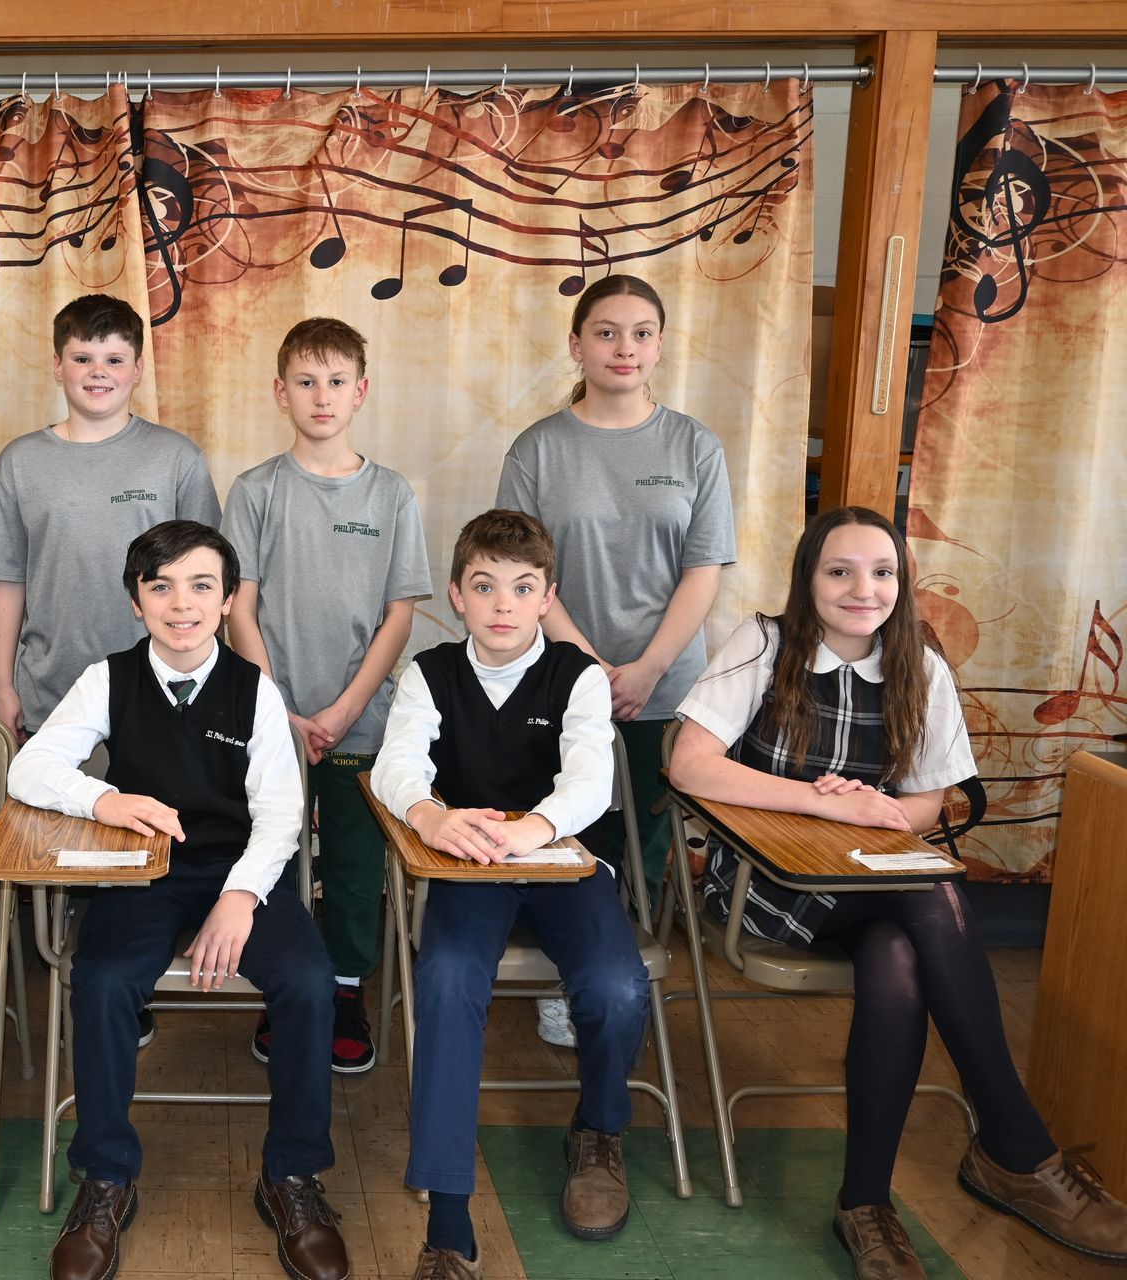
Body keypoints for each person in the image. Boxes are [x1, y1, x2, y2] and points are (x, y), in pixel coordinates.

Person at [668, 506, 1127, 1279]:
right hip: (767, 885)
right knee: (929, 899)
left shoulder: (921, 665)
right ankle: (1015, 1146)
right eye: (839, 571)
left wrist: (878, 810)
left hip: (866, 888)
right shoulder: (764, 643)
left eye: (881, 572)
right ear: (807, 578)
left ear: (903, 583)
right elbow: (689, 765)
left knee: (898, 959)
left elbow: (925, 807)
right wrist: (823, 800)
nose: (863, 589)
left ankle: (866, 1204)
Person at [8, 521, 348, 1280]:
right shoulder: (110, 678)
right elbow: (28, 769)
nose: (181, 603)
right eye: (160, 586)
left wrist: (238, 898)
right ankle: (105, 1178)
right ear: (136, 601)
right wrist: (105, 801)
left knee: (308, 982)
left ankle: (292, 1174)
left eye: (201, 585)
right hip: (143, 871)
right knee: (99, 981)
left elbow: (281, 816)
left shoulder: (255, 691)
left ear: (228, 600)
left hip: (238, 871)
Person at [372, 509, 647, 1275]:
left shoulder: (578, 674)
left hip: (559, 862)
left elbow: (591, 776)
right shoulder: (428, 673)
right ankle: (450, 1224)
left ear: (546, 597)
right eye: (484, 586)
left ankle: (598, 1131)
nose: (502, 605)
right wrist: (429, 814)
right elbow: (397, 765)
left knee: (617, 988)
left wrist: (537, 827)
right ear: (456, 595)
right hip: (469, 868)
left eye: (522, 589)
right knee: (450, 978)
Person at [495, 273, 735, 1048]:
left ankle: (622, 972)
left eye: (639, 332)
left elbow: (705, 570)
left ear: (659, 346)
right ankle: (571, 978)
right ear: (577, 344)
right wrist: (591, 667)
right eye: (605, 331)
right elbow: (520, 571)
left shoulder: (695, 444)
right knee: (571, 830)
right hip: (561, 679)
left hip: (664, 688)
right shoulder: (537, 447)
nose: (622, 347)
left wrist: (647, 669)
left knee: (646, 838)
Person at [224, 316, 431, 1074]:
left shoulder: (391, 494)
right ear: (281, 393)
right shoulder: (255, 491)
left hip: (361, 721)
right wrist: (276, 708)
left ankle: (345, 986)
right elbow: (236, 606)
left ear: (361, 392)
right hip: (268, 718)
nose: (321, 396)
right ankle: (285, 984)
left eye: (336, 381)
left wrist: (344, 711)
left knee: (351, 862)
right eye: (305, 382)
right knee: (272, 853)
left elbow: (399, 613)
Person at [0, 291, 221, 741]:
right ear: (58, 367)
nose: (98, 372)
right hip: (51, 694)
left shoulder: (177, 459)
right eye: (82, 358)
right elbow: (8, 579)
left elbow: (209, 584)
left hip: (164, 691)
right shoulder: (19, 462)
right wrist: (1, 685)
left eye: (115, 359)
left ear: (137, 370)